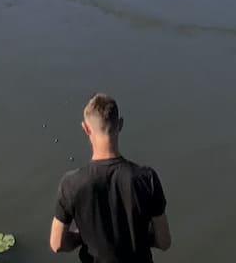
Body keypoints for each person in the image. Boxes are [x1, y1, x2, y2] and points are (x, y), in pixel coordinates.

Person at [49, 93, 171, 261]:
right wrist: (139, 234)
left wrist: (82, 236)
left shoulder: (71, 184)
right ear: (120, 125)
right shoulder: (146, 179)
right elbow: (164, 241)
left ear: (86, 129)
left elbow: (57, 244)